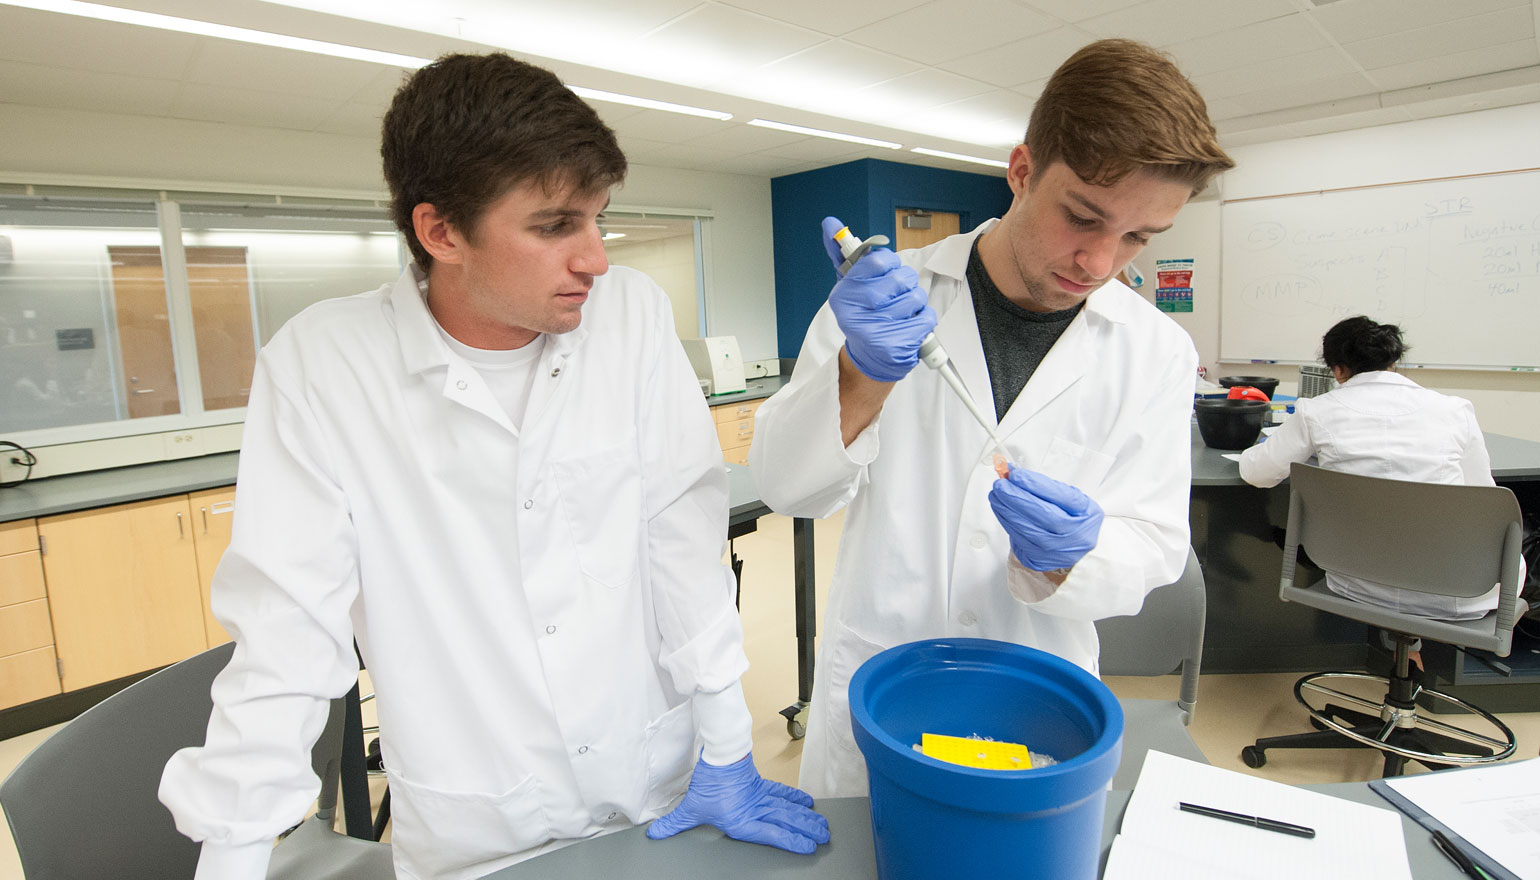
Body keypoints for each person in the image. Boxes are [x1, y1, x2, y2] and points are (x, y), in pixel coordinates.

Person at [158, 53, 827, 880]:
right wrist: (232, 855)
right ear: (440, 232)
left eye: (599, 220)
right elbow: (287, 634)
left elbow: (679, 541)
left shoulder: (631, 320)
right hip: (479, 828)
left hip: (655, 786)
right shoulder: (323, 367)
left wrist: (728, 747)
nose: (597, 260)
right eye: (554, 226)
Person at [749, 39, 1235, 798]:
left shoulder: (1156, 353)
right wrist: (861, 373)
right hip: (884, 681)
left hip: (1039, 700)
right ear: (1021, 170)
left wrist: (1075, 556)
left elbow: (1154, 545)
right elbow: (786, 487)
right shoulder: (888, 296)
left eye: (1139, 237)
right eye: (1084, 217)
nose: (1101, 263)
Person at [1239, 316, 1519, 621]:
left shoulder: (1316, 411)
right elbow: (1482, 497)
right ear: (1392, 362)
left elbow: (1258, 473)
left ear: (1338, 369)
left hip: (1358, 586)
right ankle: (1413, 651)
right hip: (1462, 593)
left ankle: (1404, 649)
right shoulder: (1455, 410)